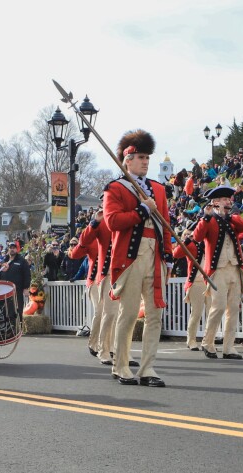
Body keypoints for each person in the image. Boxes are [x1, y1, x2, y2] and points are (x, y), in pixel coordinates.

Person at [102, 129, 171, 387]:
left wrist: (169, 256)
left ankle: (148, 368)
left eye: (147, 157)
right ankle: (121, 366)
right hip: (130, 257)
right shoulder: (116, 188)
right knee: (129, 313)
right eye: (140, 157)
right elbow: (112, 222)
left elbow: (166, 225)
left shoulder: (158, 190)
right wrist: (141, 210)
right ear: (127, 159)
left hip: (155, 257)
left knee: (155, 315)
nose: (145, 161)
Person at [194, 185, 243, 359]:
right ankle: (207, 342)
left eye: (229, 199)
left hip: (234, 268)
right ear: (215, 202)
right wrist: (206, 216)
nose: (229, 202)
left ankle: (229, 347)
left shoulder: (232, 220)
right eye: (225, 200)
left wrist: (229, 214)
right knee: (217, 308)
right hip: (218, 270)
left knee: (233, 309)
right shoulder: (208, 220)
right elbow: (197, 237)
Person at [70, 208, 118, 364]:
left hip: (111, 277)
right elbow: (75, 254)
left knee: (112, 313)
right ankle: (94, 343)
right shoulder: (93, 234)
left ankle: (109, 347)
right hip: (95, 279)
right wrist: (93, 224)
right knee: (101, 310)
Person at [173, 229, 206, 351]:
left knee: (212, 312)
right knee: (196, 313)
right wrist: (187, 240)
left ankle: (208, 340)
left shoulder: (205, 242)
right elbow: (176, 254)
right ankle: (191, 339)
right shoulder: (189, 245)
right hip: (196, 282)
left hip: (208, 280)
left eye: (190, 233)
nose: (189, 236)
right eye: (186, 234)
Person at [0, 241, 32, 325]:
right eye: (10, 248)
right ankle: (8, 326)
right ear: (8, 249)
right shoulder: (4, 260)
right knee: (5, 309)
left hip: (17, 289)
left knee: (18, 308)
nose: (12, 250)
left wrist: (26, 288)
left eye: (14, 248)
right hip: (4, 290)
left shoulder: (22, 261)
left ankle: (19, 326)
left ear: (17, 249)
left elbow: (27, 275)